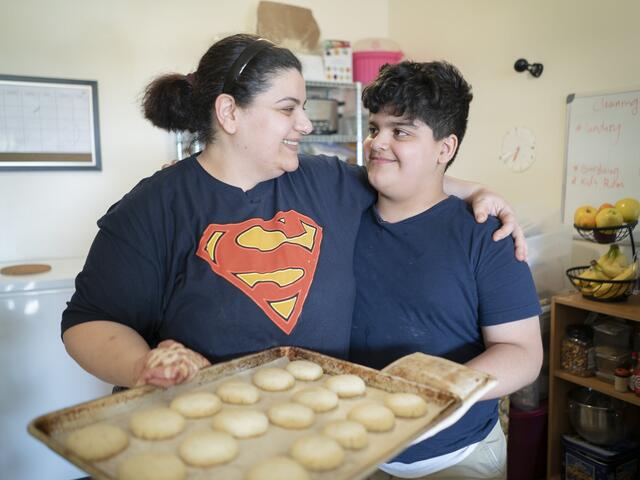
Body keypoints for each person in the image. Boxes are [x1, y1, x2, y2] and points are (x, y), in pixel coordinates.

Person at [61, 34, 525, 390]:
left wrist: (482, 191)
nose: (304, 124)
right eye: (288, 109)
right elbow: (88, 322)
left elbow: (407, 177)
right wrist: (142, 364)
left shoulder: (325, 181)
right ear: (229, 113)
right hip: (205, 434)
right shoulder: (155, 205)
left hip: (322, 433)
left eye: (303, 108)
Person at [350, 61, 543, 480]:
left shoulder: (485, 233)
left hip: (458, 456)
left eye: (400, 131)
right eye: (374, 127)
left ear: (445, 148)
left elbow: (524, 354)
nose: (377, 142)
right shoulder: (344, 212)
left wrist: (433, 390)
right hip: (357, 449)